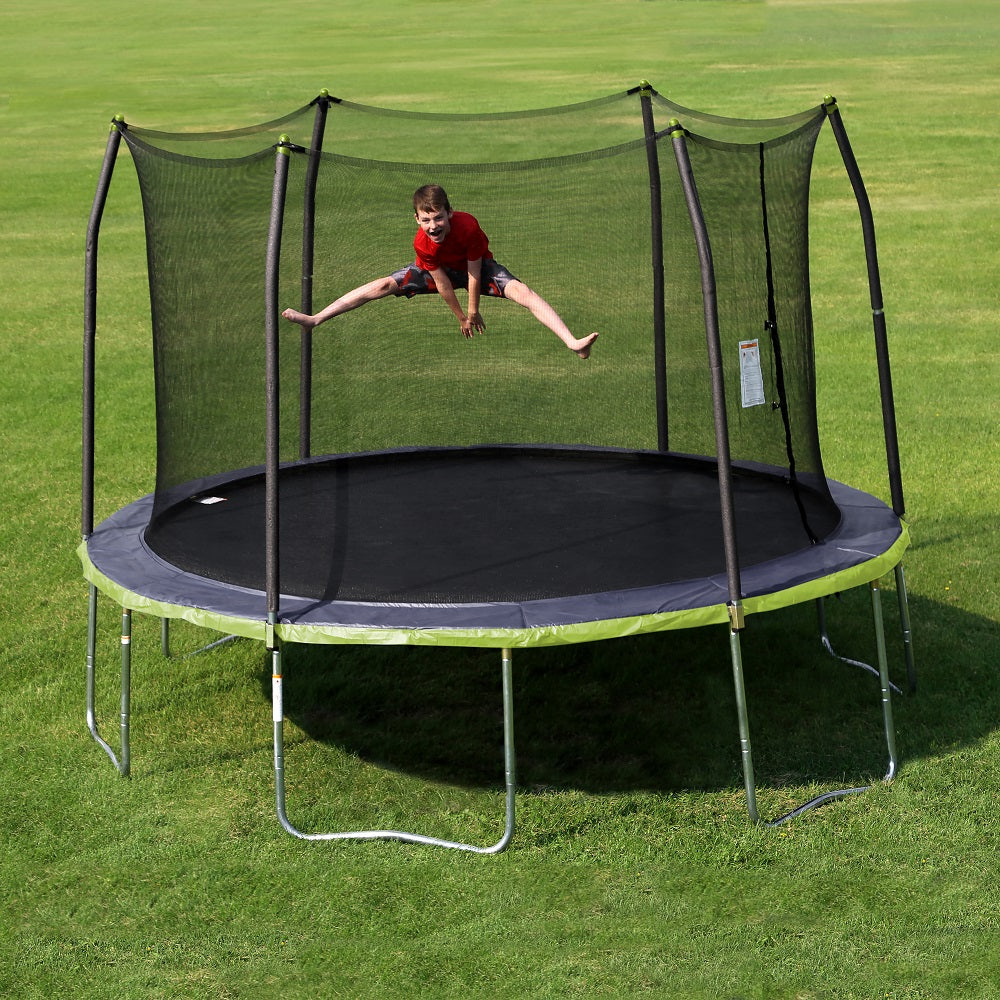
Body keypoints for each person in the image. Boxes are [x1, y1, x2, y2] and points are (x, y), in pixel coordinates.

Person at [282, 184, 599, 359]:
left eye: (438, 218)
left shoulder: (468, 227)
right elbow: (442, 283)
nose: (433, 226)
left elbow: (474, 271)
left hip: (474, 268)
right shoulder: (423, 243)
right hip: (441, 272)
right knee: (382, 285)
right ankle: (316, 319)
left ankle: (572, 342)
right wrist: (461, 316)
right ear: (417, 220)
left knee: (522, 292)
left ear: (450, 212)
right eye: (426, 220)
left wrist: (474, 309)